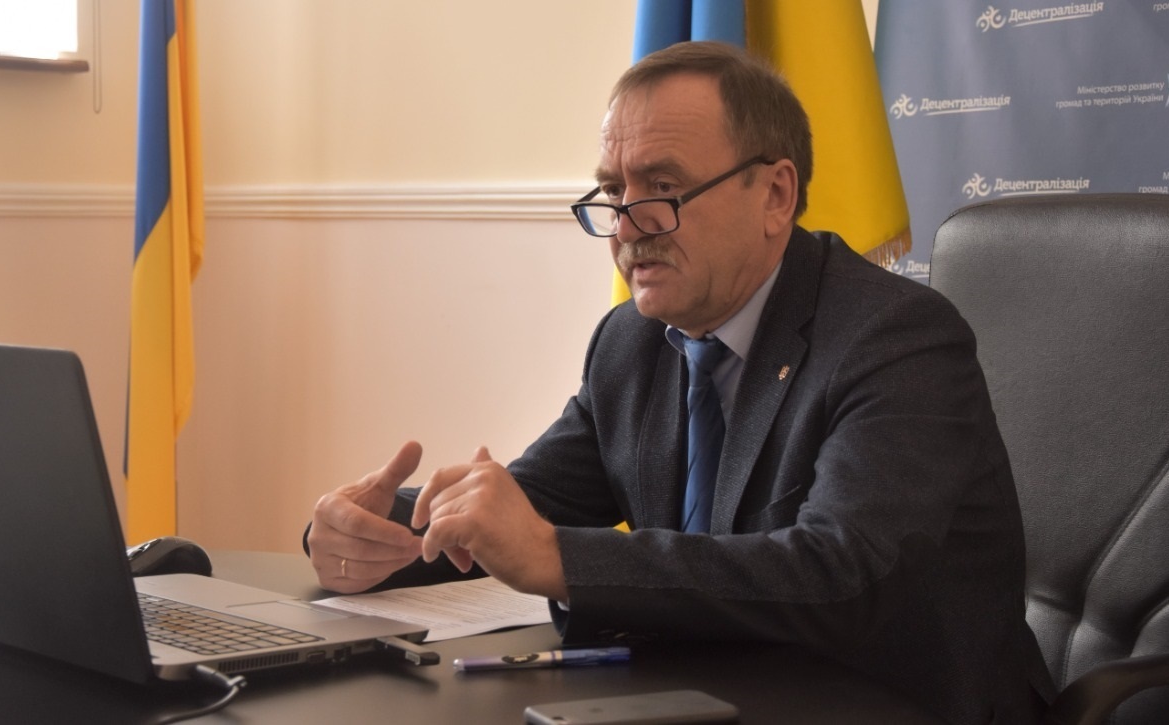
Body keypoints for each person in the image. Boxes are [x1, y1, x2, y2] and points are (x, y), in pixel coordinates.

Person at [304, 41, 1053, 724]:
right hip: (704, 698)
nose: (628, 227)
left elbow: (842, 576)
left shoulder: (895, 337)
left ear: (775, 196)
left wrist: (558, 557)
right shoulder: (631, 341)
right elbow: (520, 509)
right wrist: (367, 536)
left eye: (662, 187)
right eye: (613, 191)